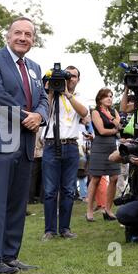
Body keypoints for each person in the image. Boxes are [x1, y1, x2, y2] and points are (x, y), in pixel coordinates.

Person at [0, 16, 48, 274]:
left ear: (33, 40)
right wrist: (27, 117)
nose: (23, 38)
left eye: (28, 34)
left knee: (19, 203)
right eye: (18, 33)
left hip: (27, 143)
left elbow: (43, 99)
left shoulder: (35, 68)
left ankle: (10, 255)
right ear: (7, 36)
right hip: (0, 142)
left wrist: (40, 116)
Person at [42, 65, 88, 241]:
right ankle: (50, 230)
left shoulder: (78, 96)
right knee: (50, 191)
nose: (70, 79)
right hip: (51, 145)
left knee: (68, 190)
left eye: (74, 76)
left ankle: (65, 228)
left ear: (78, 79)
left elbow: (84, 113)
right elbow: (44, 113)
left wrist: (68, 94)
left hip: (71, 146)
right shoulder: (53, 94)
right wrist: (52, 91)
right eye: (67, 76)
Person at [85, 88, 121, 221]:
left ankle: (108, 209)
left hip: (112, 146)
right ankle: (89, 211)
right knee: (96, 178)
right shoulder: (95, 112)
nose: (110, 98)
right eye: (106, 96)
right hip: (99, 145)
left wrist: (113, 123)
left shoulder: (113, 111)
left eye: (111, 96)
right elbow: (101, 130)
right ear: (100, 98)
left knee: (114, 177)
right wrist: (114, 130)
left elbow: (120, 125)